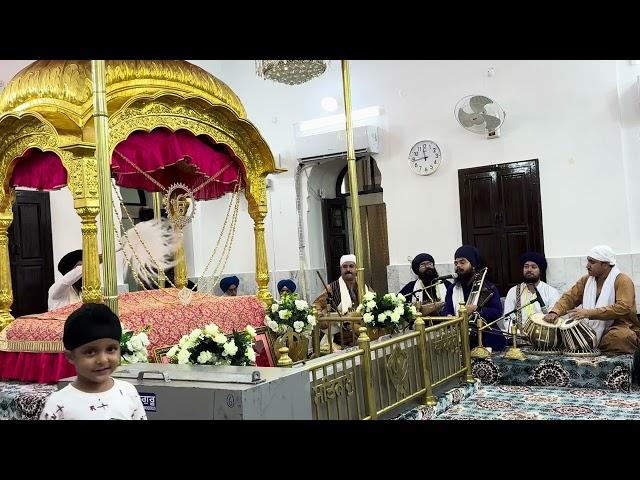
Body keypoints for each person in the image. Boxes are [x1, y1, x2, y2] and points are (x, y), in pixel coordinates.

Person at [39, 303, 146, 420]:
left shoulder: (128, 392)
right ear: (70, 356)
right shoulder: (58, 404)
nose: (103, 360)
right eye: (90, 352)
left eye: (110, 349)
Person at [543, 245, 640, 355]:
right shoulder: (586, 280)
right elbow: (570, 298)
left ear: (605, 264)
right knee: (564, 334)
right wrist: (555, 311)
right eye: (588, 261)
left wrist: (589, 313)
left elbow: (623, 308)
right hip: (590, 327)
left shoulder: (623, 280)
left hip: (620, 326)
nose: (587, 266)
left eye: (592, 262)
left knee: (619, 338)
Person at [442, 245, 506, 351]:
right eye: (456, 263)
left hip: (487, 338)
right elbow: (447, 308)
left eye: (462, 262)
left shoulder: (488, 287)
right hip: (460, 337)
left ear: (473, 265)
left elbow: (497, 311)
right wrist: (448, 315)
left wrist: (476, 309)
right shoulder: (452, 289)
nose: (458, 266)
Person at [313, 254, 370, 347]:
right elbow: (316, 304)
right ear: (341, 269)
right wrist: (321, 317)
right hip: (340, 336)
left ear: (356, 269)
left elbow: (373, 302)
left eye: (351, 266)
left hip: (362, 330)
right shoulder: (332, 287)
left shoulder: (363, 286)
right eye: (345, 267)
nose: (348, 270)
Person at [503, 252, 560, 333]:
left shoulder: (551, 292)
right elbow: (507, 318)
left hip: (544, 338)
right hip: (519, 338)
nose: (529, 270)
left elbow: (554, 317)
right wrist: (517, 334)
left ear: (540, 270)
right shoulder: (513, 292)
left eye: (533, 267)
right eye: (526, 267)